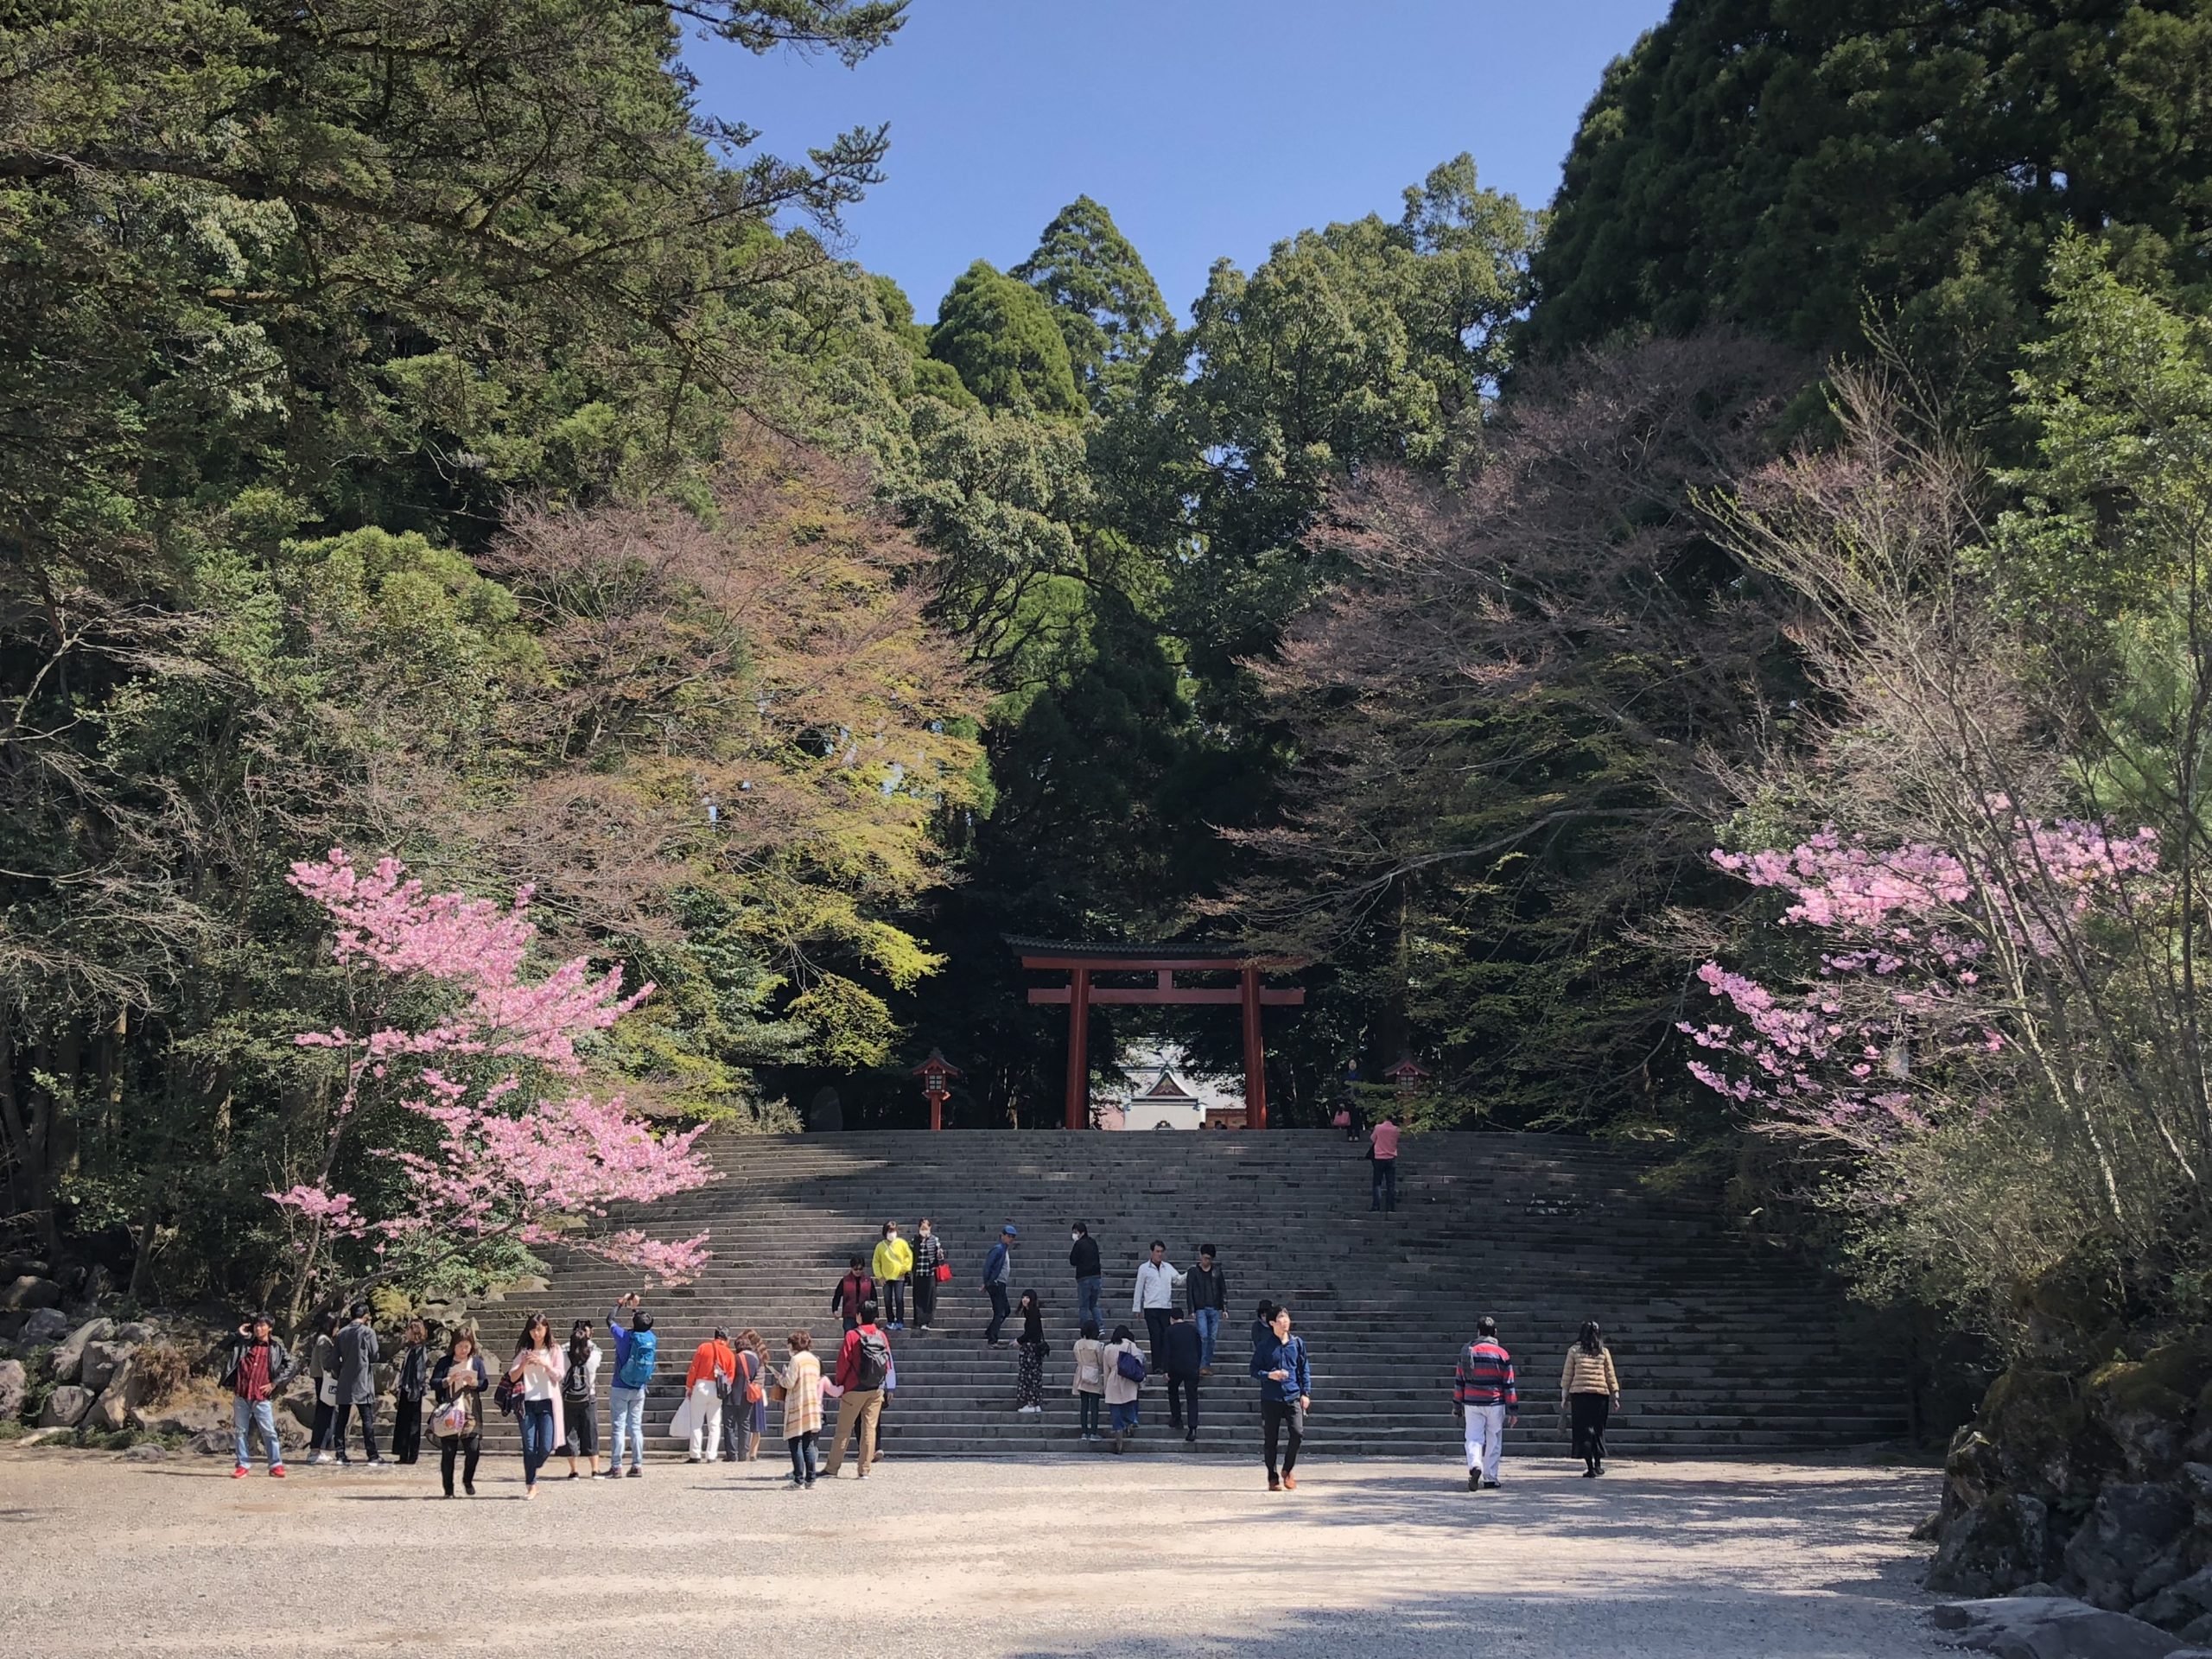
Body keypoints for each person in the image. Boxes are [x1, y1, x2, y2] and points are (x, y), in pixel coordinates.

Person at [822, 1299, 890, 1478]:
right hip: (876, 1388)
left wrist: (841, 1383)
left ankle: (832, 1467)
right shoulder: (881, 1335)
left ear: (859, 1316)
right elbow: (887, 1362)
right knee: (870, 1429)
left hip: (854, 1387)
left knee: (843, 1430)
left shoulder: (852, 1335)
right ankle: (864, 1470)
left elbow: (843, 1363)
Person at [222, 1313, 293, 1478]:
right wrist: (238, 1334)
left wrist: (275, 1383)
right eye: (256, 1325)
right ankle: (242, 1465)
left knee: (269, 1431)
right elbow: (223, 1346)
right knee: (240, 1431)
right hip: (242, 1393)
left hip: (261, 1396)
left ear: (270, 1328)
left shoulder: (276, 1347)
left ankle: (276, 1465)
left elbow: (291, 1365)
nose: (258, 1328)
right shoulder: (244, 1343)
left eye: (262, 1325)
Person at [505, 1312, 567, 1498]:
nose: (536, 1334)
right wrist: (523, 1363)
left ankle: (534, 1465)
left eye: (539, 1329)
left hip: (547, 1402)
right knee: (529, 1445)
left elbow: (559, 1375)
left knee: (546, 1446)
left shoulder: (554, 1349)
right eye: (532, 1330)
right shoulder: (525, 1350)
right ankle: (531, 1484)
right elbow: (512, 1376)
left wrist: (544, 1364)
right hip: (527, 1402)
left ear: (546, 1329)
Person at [1252, 1303, 1312, 1492]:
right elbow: (1253, 1370)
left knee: (1298, 1432)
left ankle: (1288, 1469)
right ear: (1272, 1323)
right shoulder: (1264, 1346)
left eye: (1286, 1317)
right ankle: (1272, 1475)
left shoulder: (1297, 1343)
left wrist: (1305, 1393)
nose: (1284, 1321)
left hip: (1293, 1395)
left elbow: (1304, 1369)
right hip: (1271, 1398)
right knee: (1271, 1439)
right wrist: (1270, 1375)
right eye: (1280, 1318)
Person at [1455, 1314, 1518, 1491]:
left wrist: (1457, 1404)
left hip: (1472, 1401)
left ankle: (1475, 1465)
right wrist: (1513, 1410)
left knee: (1473, 1437)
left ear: (1478, 1332)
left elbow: (1460, 1380)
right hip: (1495, 1402)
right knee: (1494, 1439)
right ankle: (1490, 1477)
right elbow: (1509, 1384)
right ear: (1495, 1333)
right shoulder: (1502, 1354)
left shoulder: (1468, 1351)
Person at [429, 1329, 487, 1498]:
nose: (463, 1350)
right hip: (449, 1410)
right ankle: (448, 1489)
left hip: (470, 1410)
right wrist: (448, 1380)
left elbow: (484, 1384)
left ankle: (467, 1479)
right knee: (448, 1452)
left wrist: (474, 1382)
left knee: (473, 1449)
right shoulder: (445, 1362)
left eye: (467, 1346)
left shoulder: (476, 1362)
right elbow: (434, 1382)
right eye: (460, 1346)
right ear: (454, 1345)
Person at [1561, 1319, 1622, 1478]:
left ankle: (1590, 1467)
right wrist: (1615, 1395)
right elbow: (1610, 1375)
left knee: (1584, 1431)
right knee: (1598, 1430)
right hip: (1600, 1396)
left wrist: (1564, 1397)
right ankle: (1598, 1464)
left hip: (1580, 1396)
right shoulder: (1603, 1352)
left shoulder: (1574, 1351)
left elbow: (1568, 1375)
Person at [607, 1292, 656, 1478]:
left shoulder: (623, 1336)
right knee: (635, 1426)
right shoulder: (651, 1338)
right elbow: (641, 1325)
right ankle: (637, 1465)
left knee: (619, 1427)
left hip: (620, 1385)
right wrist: (635, 1308)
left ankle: (617, 1466)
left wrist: (620, 1303)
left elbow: (610, 1319)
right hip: (639, 1388)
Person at [333, 1301, 385, 1465]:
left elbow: (334, 1359)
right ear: (365, 1316)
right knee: (367, 1419)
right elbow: (375, 1355)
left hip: (344, 1380)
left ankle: (340, 1453)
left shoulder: (341, 1333)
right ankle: (372, 1454)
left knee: (342, 1418)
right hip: (363, 1380)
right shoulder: (368, 1332)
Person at [684, 1326, 738, 1463]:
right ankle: (711, 1455)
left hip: (701, 1384)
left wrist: (689, 1386)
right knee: (714, 1424)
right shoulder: (730, 1354)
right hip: (718, 1388)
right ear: (727, 1339)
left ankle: (695, 1454)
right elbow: (731, 1376)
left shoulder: (703, 1347)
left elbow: (694, 1368)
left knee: (696, 1423)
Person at [777, 1330, 823, 1487]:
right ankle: (811, 1478)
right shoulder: (814, 1360)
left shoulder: (796, 1360)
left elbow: (789, 1382)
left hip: (798, 1403)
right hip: (812, 1404)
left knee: (795, 1442)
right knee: (809, 1443)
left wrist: (780, 1378)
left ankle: (798, 1479)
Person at [1133, 1240, 1184, 1373]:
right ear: (1152, 1252)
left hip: (1165, 1307)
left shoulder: (1167, 1267)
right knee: (1156, 1336)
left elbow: (1178, 1280)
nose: (1159, 1254)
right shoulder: (1144, 1268)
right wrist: (1137, 1307)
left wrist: (1190, 1273)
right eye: (1157, 1252)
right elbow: (1139, 1288)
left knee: (1166, 1336)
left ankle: (1166, 1364)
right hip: (1151, 1307)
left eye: (1161, 1252)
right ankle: (1157, 1365)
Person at [562, 1318, 601, 1478]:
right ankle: (595, 1469)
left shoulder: (563, 1355)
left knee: (570, 1433)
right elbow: (598, 1353)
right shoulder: (594, 1355)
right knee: (591, 1432)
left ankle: (573, 1471)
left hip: (569, 1398)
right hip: (588, 1396)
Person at [390, 1319, 429, 1466]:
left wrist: (416, 1388)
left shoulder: (419, 1350)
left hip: (412, 1390)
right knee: (404, 1422)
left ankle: (410, 1454)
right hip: (408, 1389)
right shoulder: (411, 1349)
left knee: (411, 1423)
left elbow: (419, 1372)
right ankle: (404, 1453)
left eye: (409, 1330)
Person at [723, 1328, 766, 1463]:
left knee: (729, 1426)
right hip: (748, 1396)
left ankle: (731, 1454)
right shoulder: (756, 1359)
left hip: (732, 1396)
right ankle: (743, 1454)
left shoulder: (734, 1358)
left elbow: (728, 1376)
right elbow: (759, 1378)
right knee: (745, 1425)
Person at [1103, 1322, 1145, 1452]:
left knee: (1116, 1412)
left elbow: (1106, 1370)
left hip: (1113, 1380)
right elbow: (1139, 1362)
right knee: (1129, 1406)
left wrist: (1105, 1387)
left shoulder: (1108, 1348)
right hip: (1129, 1379)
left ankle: (1119, 1443)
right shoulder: (1131, 1345)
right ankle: (1130, 1424)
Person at [1163, 1306, 1204, 1442]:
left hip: (1175, 1367)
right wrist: (1197, 1364)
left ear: (1172, 1319)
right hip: (1192, 1366)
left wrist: (1166, 1370)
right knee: (1192, 1397)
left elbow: (1166, 1352)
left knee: (1173, 1391)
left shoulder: (1169, 1331)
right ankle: (1192, 1428)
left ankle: (1177, 1418)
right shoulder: (1193, 1329)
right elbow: (1199, 1348)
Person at [1185, 1245, 1228, 1376]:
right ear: (1200, 1256)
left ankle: (1206, 1364)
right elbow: (1190, 1291)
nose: (1206, 1261)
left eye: (1209, 1259)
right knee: (1203, 1336)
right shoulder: (1193, 1272)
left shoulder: (1217, 1272)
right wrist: (1191, 1309)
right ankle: (1202, 1364)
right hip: (1200, 1308)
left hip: (1214, 1307)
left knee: (1212, 1338)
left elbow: (1222, 1290)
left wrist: (1225, 1308)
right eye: (1204, 1258)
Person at [305, 1310, 339, 1464]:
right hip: (324, 1380)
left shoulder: (319, 1339)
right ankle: (316, 1450)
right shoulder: (324, 1341)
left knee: (323, 1413)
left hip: (320, 1379)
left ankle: (317, 1450)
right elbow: (326, 1363)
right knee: (323, 1414)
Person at [874, 1222, 914, 1331]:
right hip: (886, 1278)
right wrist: (879, 1276)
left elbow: (909, 1256)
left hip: (899, 1276)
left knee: (899, 1299)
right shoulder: (880, 1246)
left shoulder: (902, 1243)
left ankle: (900, 1320)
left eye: (894, 1231)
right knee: (887, 1300)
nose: (892, 1233)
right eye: (890, 1231)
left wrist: (905, 1269)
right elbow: (876, 1262)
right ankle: (890, 1320)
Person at [1071, 1320, 1106, 1443]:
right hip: (1094, 1373)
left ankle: (1084, 1431)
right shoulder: (1097, 1345)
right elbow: (1101, 1361)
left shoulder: (1078, 1344)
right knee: (1094, 1406)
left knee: (1084, 1405)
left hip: (1081, 1373)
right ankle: (1093, 1432)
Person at [982, 1224, 1017, 1346]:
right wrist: (987, 1282)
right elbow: (988, 1267)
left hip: (1000, 1284)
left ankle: (990, 1331)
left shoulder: (1004, 1249)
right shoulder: (998, 1249)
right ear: (1002, 1236)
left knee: (1005, 1310)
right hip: (996, 1283)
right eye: (1009, 1236)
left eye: (1012, 1237)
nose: (1010, 1239)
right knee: (1000, 1311)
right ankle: (992, 1338)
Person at [1014, 1289, 1047, 1414]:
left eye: (1027, 1297)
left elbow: (1031, 1332)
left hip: (1031, 1349)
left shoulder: (1032, 1313)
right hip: (1035, 1349)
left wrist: (1019, 1340)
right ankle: (1035, 1403)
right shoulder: (1033, 1312)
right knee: (1035, 1376)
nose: (1024, 1299)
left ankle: (1031, 1403)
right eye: (1023, 1297)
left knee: (1029, 1376)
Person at [911, 1218, 945, 1332]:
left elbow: (940, 1257)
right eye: (922, 1228)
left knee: (929, 1298)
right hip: (918, 1272)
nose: (924, 1230)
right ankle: (918, 1320)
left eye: (926, 1228)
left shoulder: (934, 1240)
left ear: (930, 1228)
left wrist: (940, 1255)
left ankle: (927, 1320)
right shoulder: (915, 1240)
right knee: (918, 1298)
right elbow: (910, 1255)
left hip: (930, 1273)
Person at [1069, 1220, 1103, 1333]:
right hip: (1096, 1277)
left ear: (1081, 1232)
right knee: (1094, 1305)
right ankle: (1100, 1327)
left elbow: (1072, 1260)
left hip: (1084, 1278)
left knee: (1084, 1306)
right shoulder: (1093, 1242)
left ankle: (1084, 1329)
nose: (1074, 1234)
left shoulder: (1078, 1244)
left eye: (1075, 1232)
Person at [830, 1255, 874, 1333]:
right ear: (851, 1268)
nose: (858, 1271)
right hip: (849, 1315)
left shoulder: (868, 1281)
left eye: (860, 1269)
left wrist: (875, 1313)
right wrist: (835, 1309)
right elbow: (837, 1296)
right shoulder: (844, 1281)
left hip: (865, 1315)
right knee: (849, 1336)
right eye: (855, 1269)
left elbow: (874, 1298)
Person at [1369, 1110, 1402, 1212]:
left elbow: (1372, 1139)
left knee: (1377, 1183)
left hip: (1379, 1157)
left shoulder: (1378, 1128)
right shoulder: (1396, 1130)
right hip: (1391, 1157)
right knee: (1390, 1184)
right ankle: (1390, 1206)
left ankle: (1376, 1205)